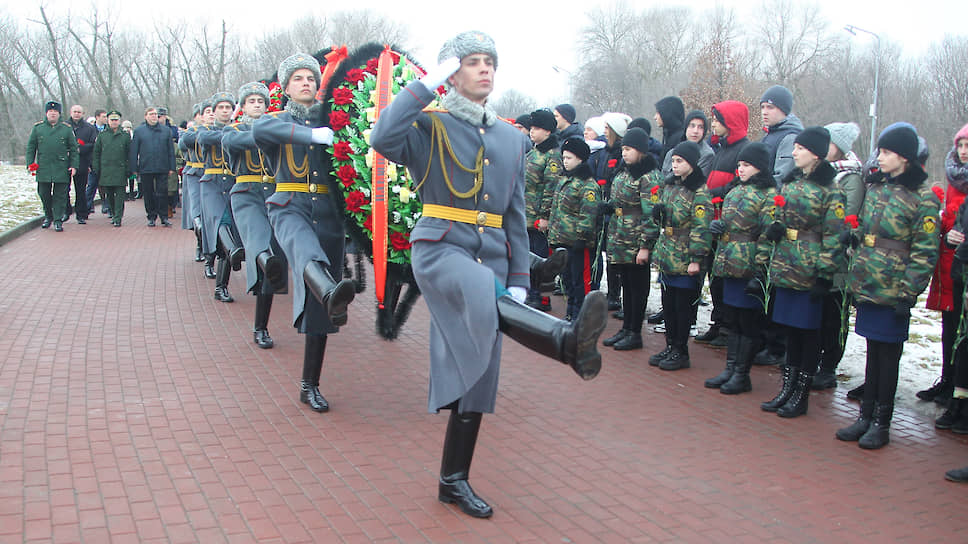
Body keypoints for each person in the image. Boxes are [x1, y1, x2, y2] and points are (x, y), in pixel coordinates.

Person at [370, 31, 607, 519]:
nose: (485, 70)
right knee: (482, 293)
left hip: (493, 255)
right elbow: (382, 137)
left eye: (490, 63)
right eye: (473, 62)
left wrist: (520, 275)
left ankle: (452, 479)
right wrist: (424, 86)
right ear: (452, 73)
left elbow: (515, 214)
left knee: (478, 370)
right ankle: (565, 343)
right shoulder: (428, 126)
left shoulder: (511, 137)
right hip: (440, 249)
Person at [253, 52, 356, 414]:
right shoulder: (276, 122)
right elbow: (260, 130)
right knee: (304, 251)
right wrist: (314, 132)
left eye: (311, 78)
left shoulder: (334, 121)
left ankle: (309, 384)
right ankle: (330, 290)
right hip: (290, 206)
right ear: (286, 86)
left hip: (328, 213)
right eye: (297, 78)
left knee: (320, 309)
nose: (306, 83)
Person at [835, 125, 939, 449]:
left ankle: (882, 422)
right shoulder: (878, 188)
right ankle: (865, 416)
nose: (879, 157)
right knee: (872, 351)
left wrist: (909, 293)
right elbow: (867, 230)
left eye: (886, 152)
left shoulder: (923, 198)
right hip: (870, 283)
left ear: (904, 158)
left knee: (888, 355)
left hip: (895, 289)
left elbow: (925, 252)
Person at [760, 127, 845, 418]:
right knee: (790, 331)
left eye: (799, 148)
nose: (794, 152)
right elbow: (779, 215)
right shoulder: (791, 182)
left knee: (807, 334)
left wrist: (824, 275)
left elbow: (834, 237)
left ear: (816, 154)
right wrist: (775, 228)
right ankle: (787, 387)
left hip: (810, 270)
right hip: (787, 266)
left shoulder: (831, 191)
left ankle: (801, 394)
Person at [704, 142, 777, 393]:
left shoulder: (768, 195)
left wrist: (761, 271)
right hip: (729, 261)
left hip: (749, 263)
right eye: (739, 165)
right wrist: (718, 228)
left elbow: (767, 234)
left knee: (748, 321)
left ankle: (742, 373)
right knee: (732, 319)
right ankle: (731, 368)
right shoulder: (734, 191)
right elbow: (728, 221)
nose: (741, 169)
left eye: (746, 165)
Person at [225, 82, 288, 348]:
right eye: (251, 101)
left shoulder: (275, 127)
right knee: (261, 244)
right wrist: (273, 131)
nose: (257, 105)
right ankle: (260, 325)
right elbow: (238, 142)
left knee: (272, 263)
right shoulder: (233, 130)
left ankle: (260, 326)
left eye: (261, 102)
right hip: (246, 195)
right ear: (243, 106)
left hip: (272, 194)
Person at [648, 141, 712, 369]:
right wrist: (659, 214)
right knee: (669, 304)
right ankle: (670, 346)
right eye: (673, 161)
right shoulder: (671, 186)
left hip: (686, 255)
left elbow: (701, 227)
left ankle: (681, 350)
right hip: (668, 252)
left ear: (692, 164)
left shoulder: (700, 192)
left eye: (680, 161)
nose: (674, 166)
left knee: (682, 306)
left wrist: (696, 259)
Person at [600, 127, 662, 351]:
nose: (624, 153)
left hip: (636, 238)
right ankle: (626, 327)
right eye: (623, 148)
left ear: (641, 151)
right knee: (626, 283)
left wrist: (645, 246)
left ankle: (635, 331)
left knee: (637, 286)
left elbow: (652, 214)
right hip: (621, 235)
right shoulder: (625, 171)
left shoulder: (649, 176)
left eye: (629, 149)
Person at [812, 122, 864, 390]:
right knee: (819, 314)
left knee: (835, 314)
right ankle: (815, 360)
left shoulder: (851, 178)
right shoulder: (821, 174)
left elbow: (847, 216)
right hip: (817, 253)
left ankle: (829, 365)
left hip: (840, 258)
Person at [698, 100, 751, 348]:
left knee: (724, 275)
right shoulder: (720, 149)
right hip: (713, 219)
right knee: (714, 275)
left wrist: (715, 193)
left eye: (718, 121)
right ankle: (718, 322)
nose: (714, 125)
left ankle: (729, 326)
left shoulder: (743, 150)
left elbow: (738, 184)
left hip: (728, 220)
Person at [922, 123, 968, 404]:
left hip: (965, 260)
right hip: (950, 259)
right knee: (949, 324)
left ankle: (960, 387)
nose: (963, 151)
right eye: (960, 145)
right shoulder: (954, 179)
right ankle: (947, 378)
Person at [196, 92, 245, 303]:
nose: (225, 111)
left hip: (233, 183)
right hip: (213, 185)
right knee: (221, 223)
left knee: (231, 229)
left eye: (228, 107)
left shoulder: (239, 129)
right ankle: (233, 251)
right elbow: (207, 139)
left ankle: (221, 287)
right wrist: (235, 134)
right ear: (214, 111)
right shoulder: (206, 130)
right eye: (221, 107)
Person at [549, 138, 601, 321]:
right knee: (567, 279)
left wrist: (582, 236)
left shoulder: (588, 185)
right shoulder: (565, 180)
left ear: (580, 159)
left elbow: (588, 213)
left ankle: (582, 314)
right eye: (563, 157)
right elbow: (556, 208)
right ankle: (571, 311)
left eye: (569, 158)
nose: (565, 161)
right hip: (562, 238)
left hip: (578, 242)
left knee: (581, 281)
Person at [524, 108, 563, 311]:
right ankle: (530, 293)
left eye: (537, 128)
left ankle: (541, 297)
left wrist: (544, 216)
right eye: (531, 128)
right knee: (528, 257)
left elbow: (551, 188)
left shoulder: (552, 156)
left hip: (539, 218)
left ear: (548, 131)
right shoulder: (533, 152)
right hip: (526, 215)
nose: (532, 132)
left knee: (540, 258)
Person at [26, 101, 78, 232]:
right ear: (46, 113)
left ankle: (58, 220)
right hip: (43, 166)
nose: (53, 114)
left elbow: (73, 149)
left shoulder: (66, 129)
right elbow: (31, 147)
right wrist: (30, 163)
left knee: (60, 195)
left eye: (55, 112)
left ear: (59, 114)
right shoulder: (38, 128)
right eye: (50, 112)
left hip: (61, 166)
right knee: (43, 193)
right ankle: (48, 216)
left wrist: (73, 166)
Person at [599, 112, 631, 312]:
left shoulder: (619, 153)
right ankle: (612, 292)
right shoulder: (606, 151)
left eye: (607, 128)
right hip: (608, 205)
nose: (603, 131)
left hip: (619, 209)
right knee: (610, 253)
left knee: (617, 255)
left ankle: (617, 294)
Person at [180, 100, 215, 265]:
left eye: (212, 111)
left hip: (214, 176)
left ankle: (210, 251)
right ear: (200, 116)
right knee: (197, 214)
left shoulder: (222, 130)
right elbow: (184, 143)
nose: (211, 114)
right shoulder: (193, 131)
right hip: (196, 174)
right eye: (207, 111)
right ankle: (201, 244)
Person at [129, 107, 176, 227]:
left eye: (155, 114)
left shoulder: (166, 131)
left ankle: (164, 216)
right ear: (146, 116)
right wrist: (134, 168)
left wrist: (172, 167)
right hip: (146, 167)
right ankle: (151, 216)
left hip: (162, 166)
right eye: (151, 114)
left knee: (162, 192)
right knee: (148, 193)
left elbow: (171, 150)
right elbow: (134, 151)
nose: (154, 116)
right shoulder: (139, 131)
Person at [91, 110, 130, 227]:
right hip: (106, 170)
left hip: (120, 170)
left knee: (120, 196)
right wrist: (96, 167)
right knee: (109, 195)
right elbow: (96, 153)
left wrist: (129, 168)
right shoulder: (102, 136)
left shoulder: (125, 136)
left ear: (119, 121)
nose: (114, 122)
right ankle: (113, 214)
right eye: (112, 120)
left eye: (116, 120)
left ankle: (118, 217)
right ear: (108, 121)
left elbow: (129, 154)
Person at [759, 85, 804, 185]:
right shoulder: (770, 134)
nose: (764, 112)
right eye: (762, 107)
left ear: (783, 110)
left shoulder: (790, 137)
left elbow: (782, 177)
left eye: (770, 107)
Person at [66, 105, 97, 224]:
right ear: (71, 112)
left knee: (81, 190)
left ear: (83, 113)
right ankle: (66, 211)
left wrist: (80, 149)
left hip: (82, 162)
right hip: (67, 162)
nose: (77, 114)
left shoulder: (89, 128)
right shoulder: (65, 126)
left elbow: (93, 144)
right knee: (64, 189)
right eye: (75, 112)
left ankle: (81, 214)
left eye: (79, 112)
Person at [86, 109, 108, 214]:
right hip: (93, 162)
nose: (106, 119)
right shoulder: (90, 129)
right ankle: (87, 206)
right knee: (91, 185)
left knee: (105, 186)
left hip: (106, 163)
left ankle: (106, 205)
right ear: (97, 117)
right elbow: (86, 146)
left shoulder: (108, 129)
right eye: (103, 116)